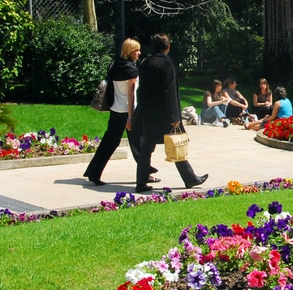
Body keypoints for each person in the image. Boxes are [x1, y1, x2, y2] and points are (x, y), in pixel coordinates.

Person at [133, 33, 207, 193]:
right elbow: (170, 93)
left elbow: (142, 90)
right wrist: (175, 118)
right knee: (176, 144)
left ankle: (141, 182)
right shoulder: (167, 65)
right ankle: (190, 178)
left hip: (148, 113)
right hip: (164, 114)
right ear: (168, 47)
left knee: (146, 147)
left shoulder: (146, 63)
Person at [83, 38, 143, 186]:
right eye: (136, 50)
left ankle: (94, 172)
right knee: (139, 143)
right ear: (130, 51)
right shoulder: (132, 71)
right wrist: (130, 117)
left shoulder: (115, 66)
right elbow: (131, 95)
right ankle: (145, 173)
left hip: (115, 109)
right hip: (128, 111)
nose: (139, 53)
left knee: (109, 142)